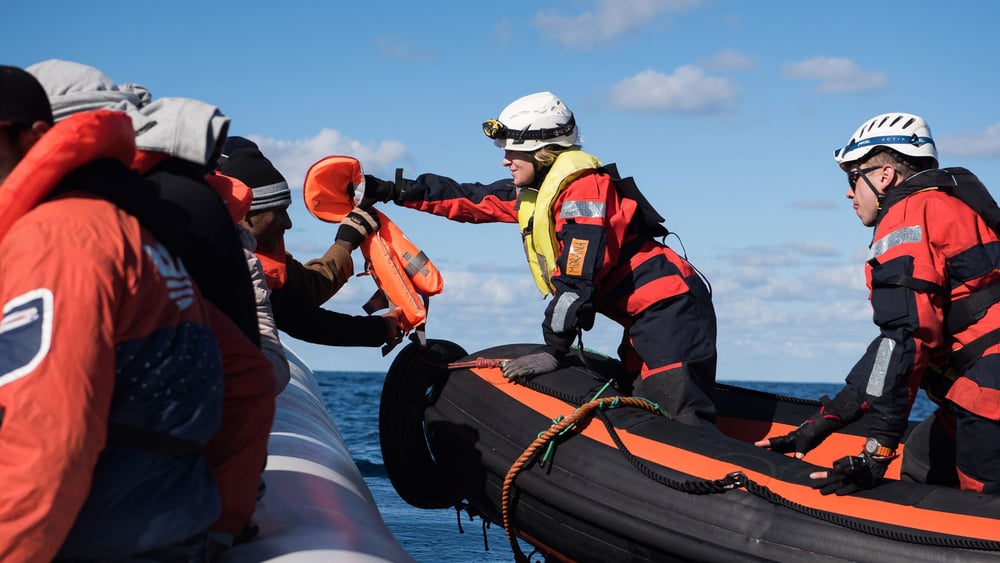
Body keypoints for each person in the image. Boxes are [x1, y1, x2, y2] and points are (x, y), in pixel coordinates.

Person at [28, 59, 276, 545]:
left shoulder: (78, 232)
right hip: (187, 509)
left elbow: (54, 430)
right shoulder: (174, 203)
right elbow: (251, 377)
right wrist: (225, 521)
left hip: (109, 522)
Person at [362, 91, 718, 425]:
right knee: (644, 404)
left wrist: (554, 350)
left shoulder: (585, 192)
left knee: (676, 414)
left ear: (542, 151)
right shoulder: (538, 192)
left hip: (671, 308)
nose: (505, 160)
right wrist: (391, 190)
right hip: (645, 315)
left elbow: (577, 278)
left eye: (512, 151)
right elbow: (469, 199)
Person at [0, 65, 224, 560]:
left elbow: (50, 442)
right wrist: (225, 527)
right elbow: (247, 379)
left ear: (34, 137)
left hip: (98, 539)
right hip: (168, 530)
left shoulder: (58, 239)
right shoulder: (135, 232)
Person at [756, 112, 1000, 496]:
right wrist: (822, 423)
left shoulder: (907, 214)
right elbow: (891, 353)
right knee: (920, 455)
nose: (849, 193)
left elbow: (903, 340)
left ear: (885, 176)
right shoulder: (952, 207)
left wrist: (877, 451)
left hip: (988, 397)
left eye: (853, 178)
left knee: (980, 506)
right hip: (978, 385)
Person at [218, 139, 403, 349]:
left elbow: (301, 302)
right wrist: (382, 328)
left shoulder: (254, 252)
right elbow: (303, 319)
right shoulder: (210, 256)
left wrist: (346, 241)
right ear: (244, 210)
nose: (288, 223)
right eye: (278, 211)